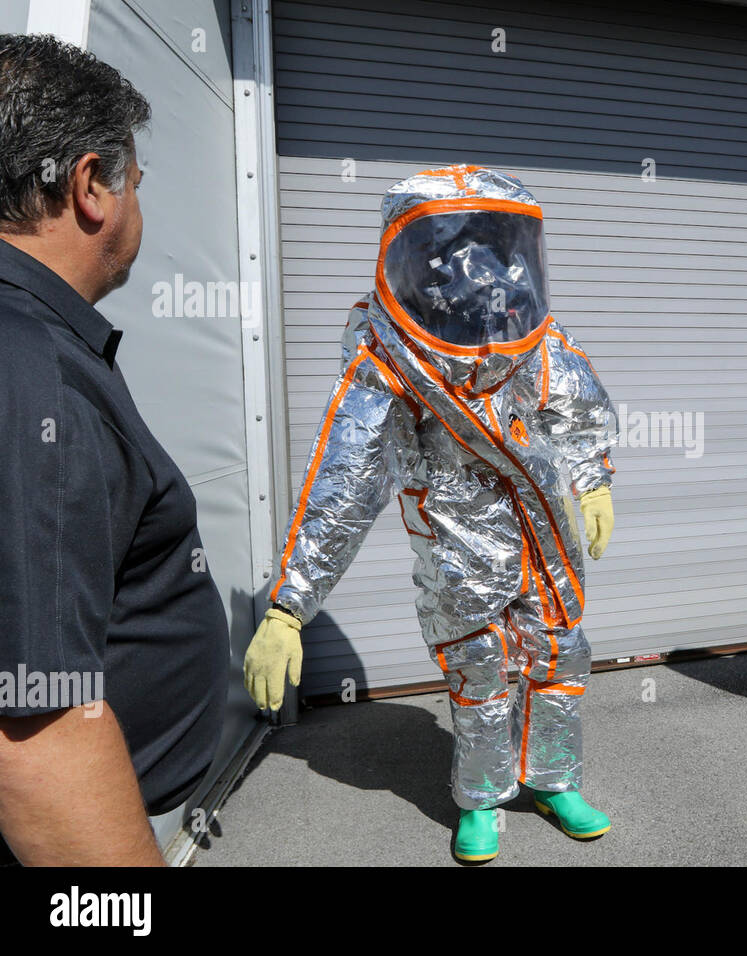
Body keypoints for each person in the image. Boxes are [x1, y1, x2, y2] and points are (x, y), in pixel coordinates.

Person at [243, 164, 618, 862]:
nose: (483, 268)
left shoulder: (528, 330)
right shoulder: (388, 354)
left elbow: (575, 401)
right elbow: (346, 476)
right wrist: (290, 603)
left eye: (497, 244)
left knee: (560, 652)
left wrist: (591, 478)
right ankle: (482, 799)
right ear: (417, 256)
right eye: (461, 247)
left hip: (540, 524)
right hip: (455, 532)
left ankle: (554, 779)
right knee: (479, 664)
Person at [0, 35, 229, 865]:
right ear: (92, 187)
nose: (140, 208)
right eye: (136, 184)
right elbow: (36, 726)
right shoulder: (32, 376)